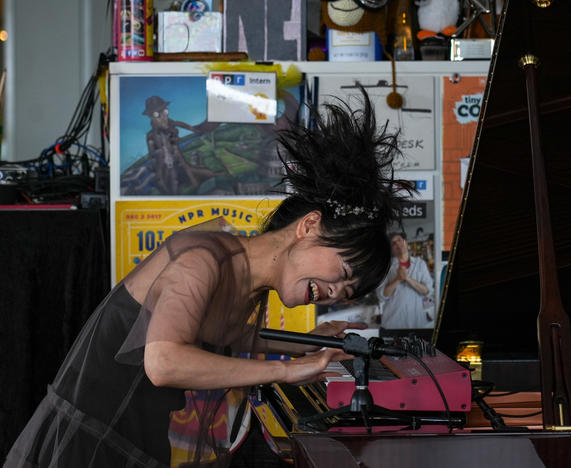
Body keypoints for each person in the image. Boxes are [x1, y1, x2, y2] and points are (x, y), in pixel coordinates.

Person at [4, 87, 411, 468]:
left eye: (346, 292)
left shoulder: (244, 271)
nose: (334, 294)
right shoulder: (205, 257)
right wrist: (287, 369)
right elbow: (163, 362)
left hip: (131, 439)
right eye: (341, 274)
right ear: (308, 226)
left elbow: (230, 334)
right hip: (88, 444)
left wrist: (319, 343)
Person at [376, 231, 434, 330]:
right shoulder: (386, 267)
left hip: (416, 321)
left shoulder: (420, 264)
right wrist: (397, 279)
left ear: (406, 242)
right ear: (392, 249)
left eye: (399, 240)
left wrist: (407, 278)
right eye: (393, 243)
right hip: (393, 322)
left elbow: (427, 291)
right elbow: (382, 295)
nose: (397, 244)